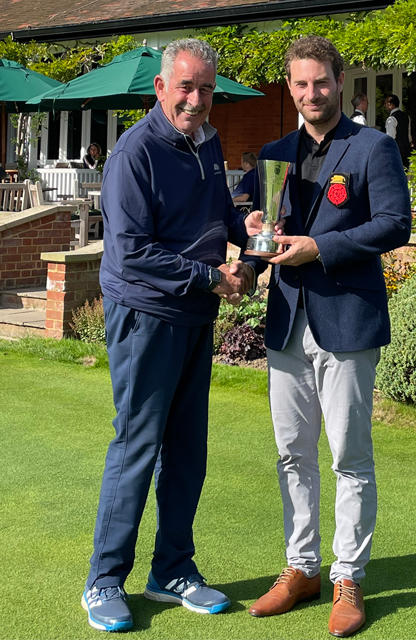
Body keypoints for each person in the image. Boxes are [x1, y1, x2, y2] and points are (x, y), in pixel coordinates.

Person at [82, 38, 256, 633]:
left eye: (206, 89)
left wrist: (246, 228)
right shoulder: (133, 152)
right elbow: (131, 253)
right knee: (137, 446)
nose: (197, 99)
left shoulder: (206, 142)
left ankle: (172, 571)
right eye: (185, 87)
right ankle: (104, 580)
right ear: (161, 88)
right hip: (145, 317)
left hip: (193, 317)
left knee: (187, 450)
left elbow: (218, 215)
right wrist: (213, 276)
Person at [244, 36, 411, 638]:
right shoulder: (275, 151)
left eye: (320, 82)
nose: (310, 94)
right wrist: (252, 221)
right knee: (292, 453)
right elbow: (249, 207)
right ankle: (301, 568)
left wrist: (320, 247)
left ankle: (348, 576)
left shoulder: (375, 148)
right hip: (287, 322)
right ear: (289, 88)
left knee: (349, 457)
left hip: (347, 321)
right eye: (299, 85)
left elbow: (394, 224)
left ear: (340, 81)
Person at [384, 94, 411, 168]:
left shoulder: (391, 119)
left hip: (396, 152)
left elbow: (390, 138)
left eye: (386, 103)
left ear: (390, 104)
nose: (385, 106)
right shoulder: (406, 116)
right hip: (406, 152)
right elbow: (409, 136)